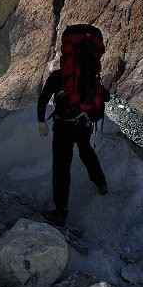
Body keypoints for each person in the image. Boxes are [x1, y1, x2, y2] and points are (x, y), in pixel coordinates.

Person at [37, 63, 109, 228]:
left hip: (63, 125)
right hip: (84, 123)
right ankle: (101, 182)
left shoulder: (58, 76)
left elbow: (43, 99)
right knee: (85, 150)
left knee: (61, 166)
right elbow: (106, 97)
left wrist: (41, 121)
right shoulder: (90, 74)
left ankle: (61, 212)